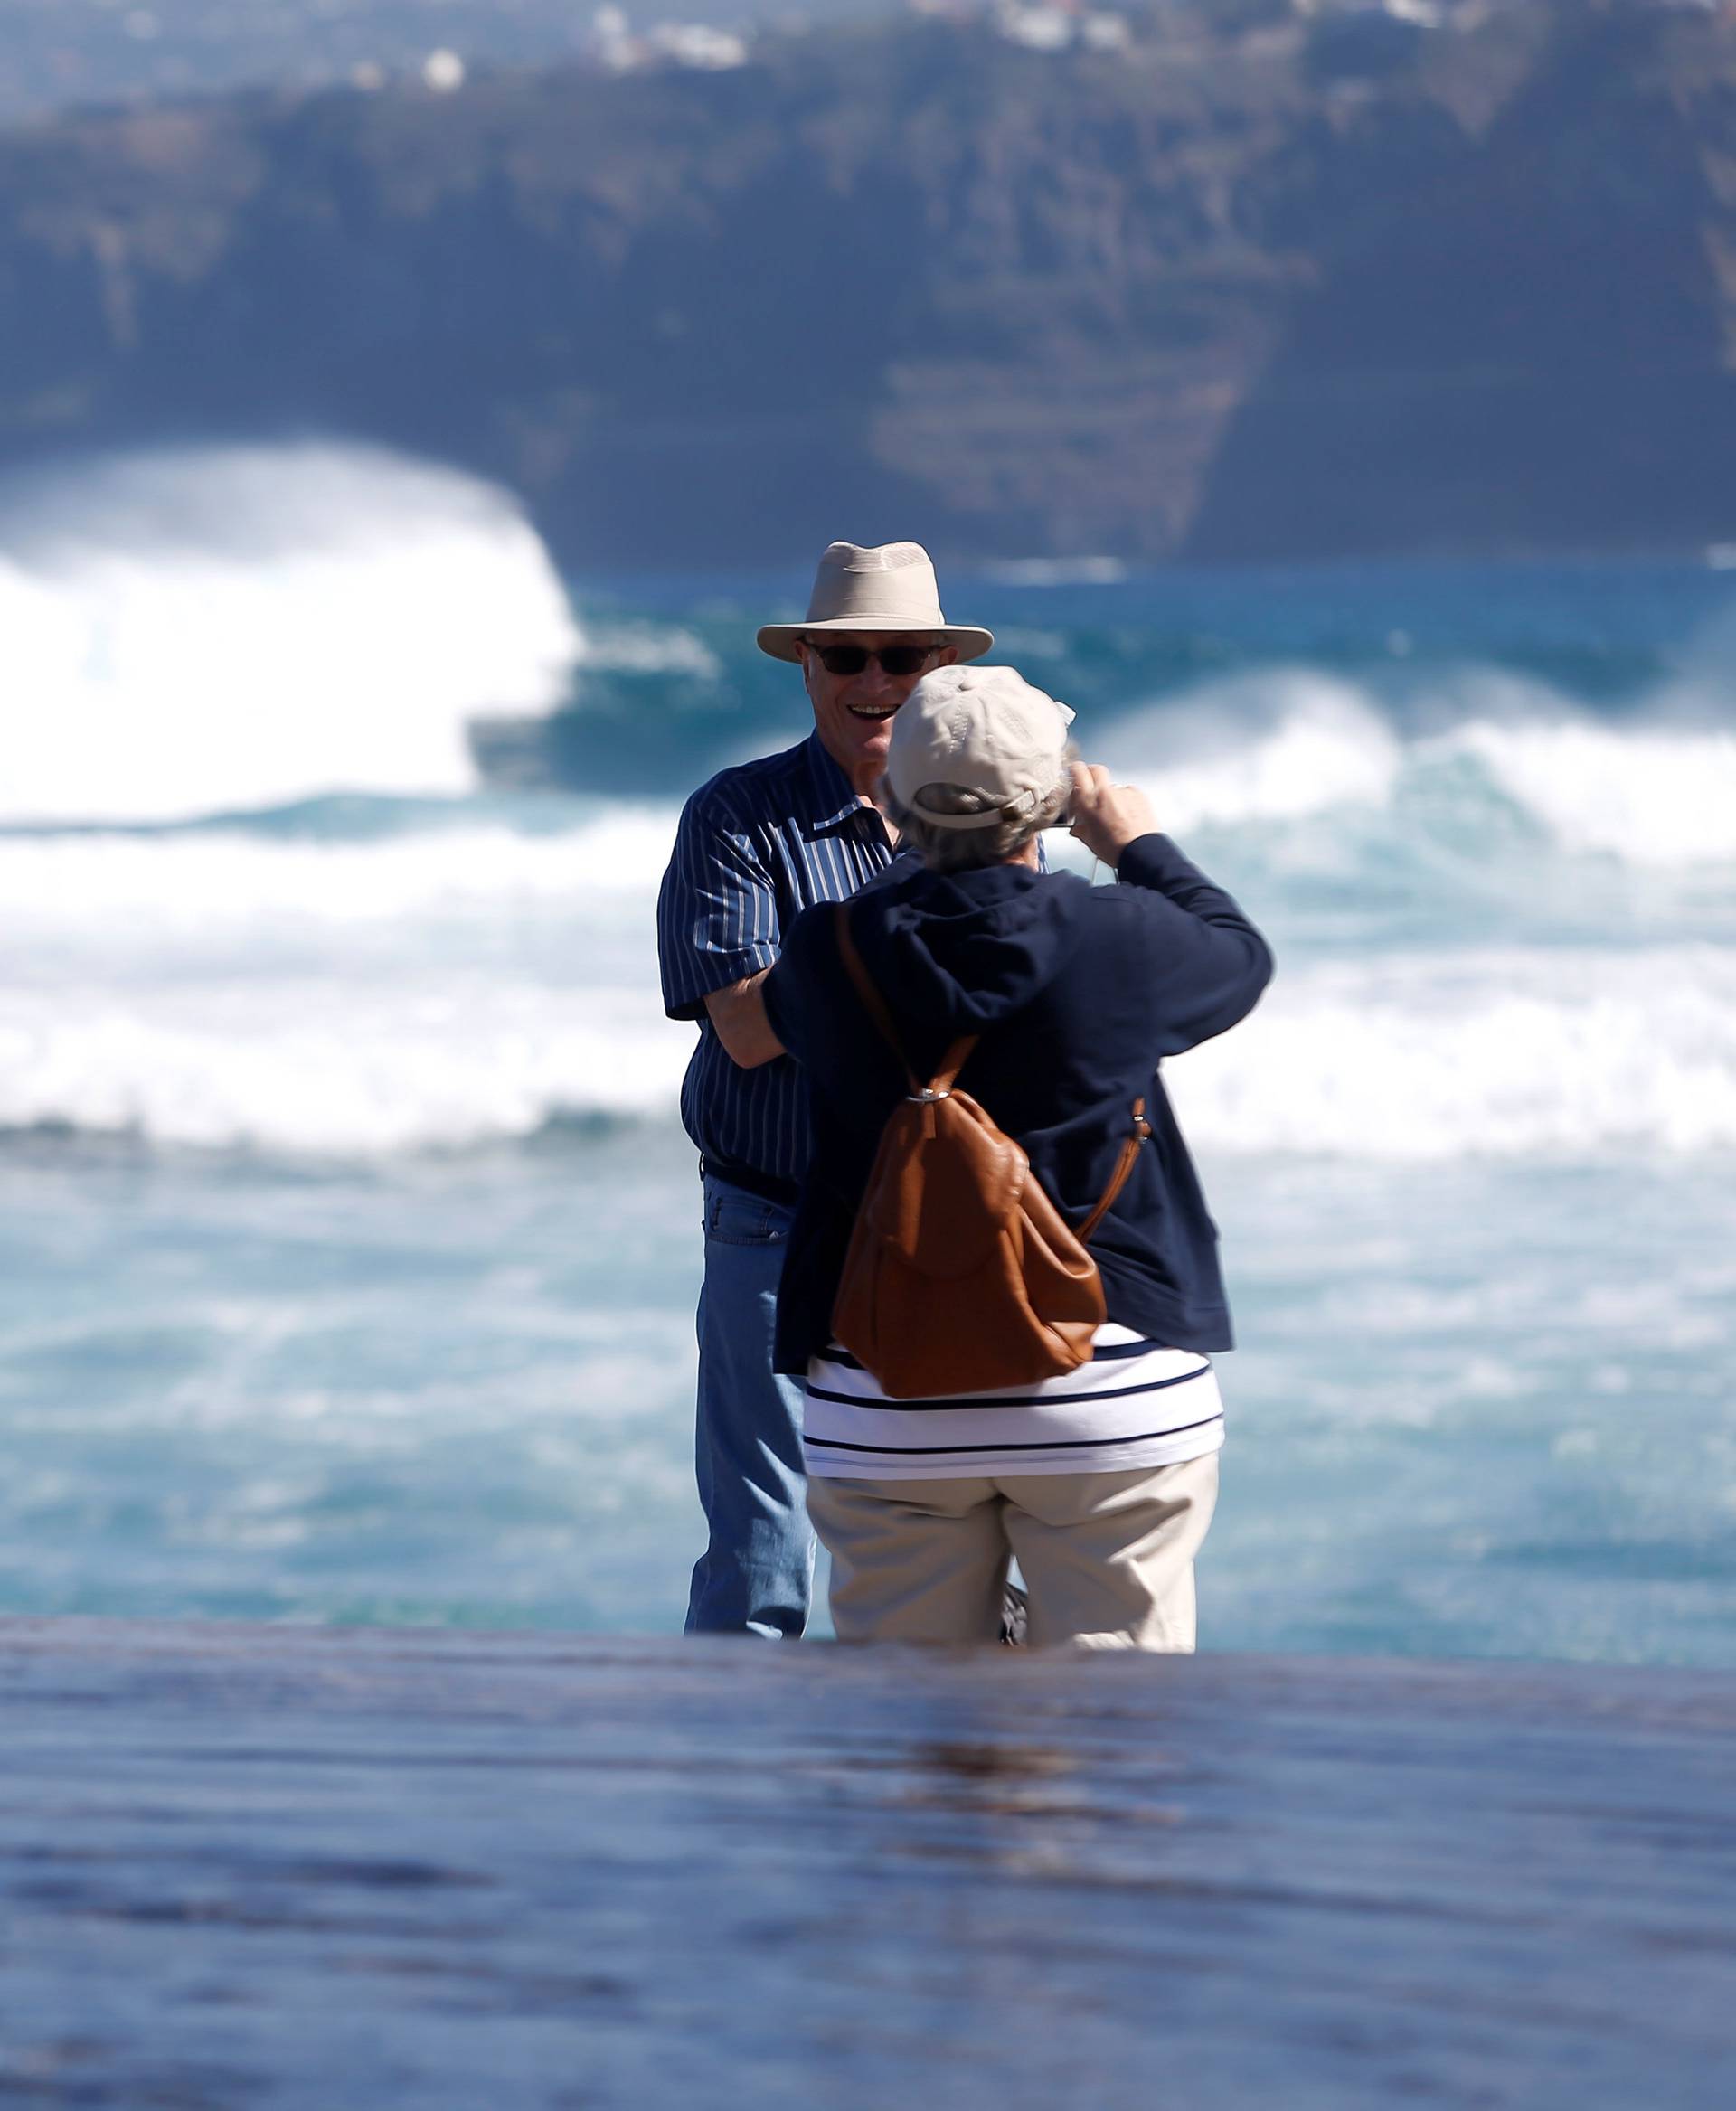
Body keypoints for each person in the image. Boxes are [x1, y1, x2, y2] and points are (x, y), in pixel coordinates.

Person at [760, 664, 1273, 1650]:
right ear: (1047, 798)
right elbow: (1237, 954)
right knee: (1108, 1742)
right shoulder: (1119, 935)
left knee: (908, 1745)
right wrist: (1133, 841)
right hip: (1107, 1386)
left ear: (896, 797)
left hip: (885, 1397)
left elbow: (838, 976)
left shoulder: (830, 950)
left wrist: (913, 834)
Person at [656, 540, 994, 1636]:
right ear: (807, 662)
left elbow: (1035, 1000)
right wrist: (911, 959)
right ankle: (746, 1790)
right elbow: (746, 1029)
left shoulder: (985, 827)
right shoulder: (735, 816)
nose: (873, 683)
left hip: (939, 1234)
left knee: (947, 1549)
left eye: (899, 656)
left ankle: (916, 1792)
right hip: (774, 1221)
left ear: (938, 663)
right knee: (764, 1556)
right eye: (847, 656)